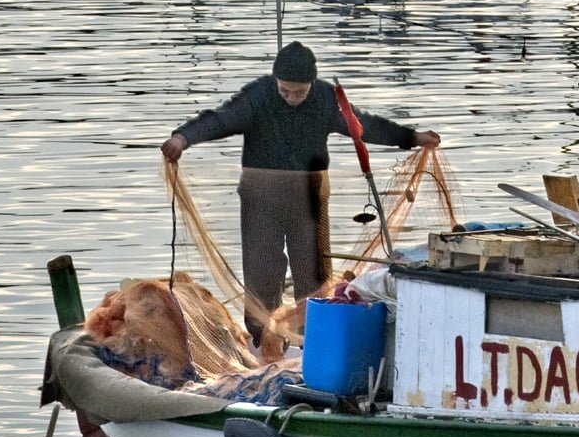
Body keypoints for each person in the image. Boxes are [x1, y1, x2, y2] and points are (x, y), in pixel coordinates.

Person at [160, 40, 440, 338]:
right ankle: (261, 337)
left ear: (312, 84)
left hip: (309, 200)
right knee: (262, 272)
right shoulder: (259, 96)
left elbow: (365, 126)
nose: (292, 97)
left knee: (312, 273)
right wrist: (182, 138)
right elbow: (219, 120)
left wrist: (412, 137)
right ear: (275, 82)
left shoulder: (325, 99)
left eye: (300, 92)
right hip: (260, 199)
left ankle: (311, 338)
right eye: (285, 91)